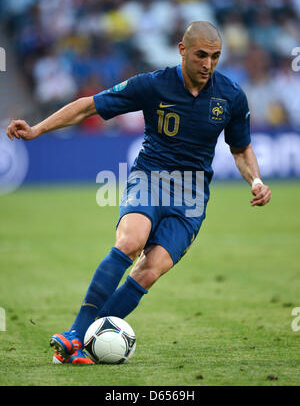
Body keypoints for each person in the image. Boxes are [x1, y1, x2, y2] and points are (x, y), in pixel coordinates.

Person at [6, 21, 271, 365]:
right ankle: (76, 333)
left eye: (215, 57)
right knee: (130, 242)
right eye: (202, 55)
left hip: (191, 196)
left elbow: (241, 148)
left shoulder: (231, 95)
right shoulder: (153, 84)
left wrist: (255, 180)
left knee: (151, 268)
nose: (208, 64)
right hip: (150, 177)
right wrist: (37, 129)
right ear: (182, 50)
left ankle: (82, 346)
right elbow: (90, 106)